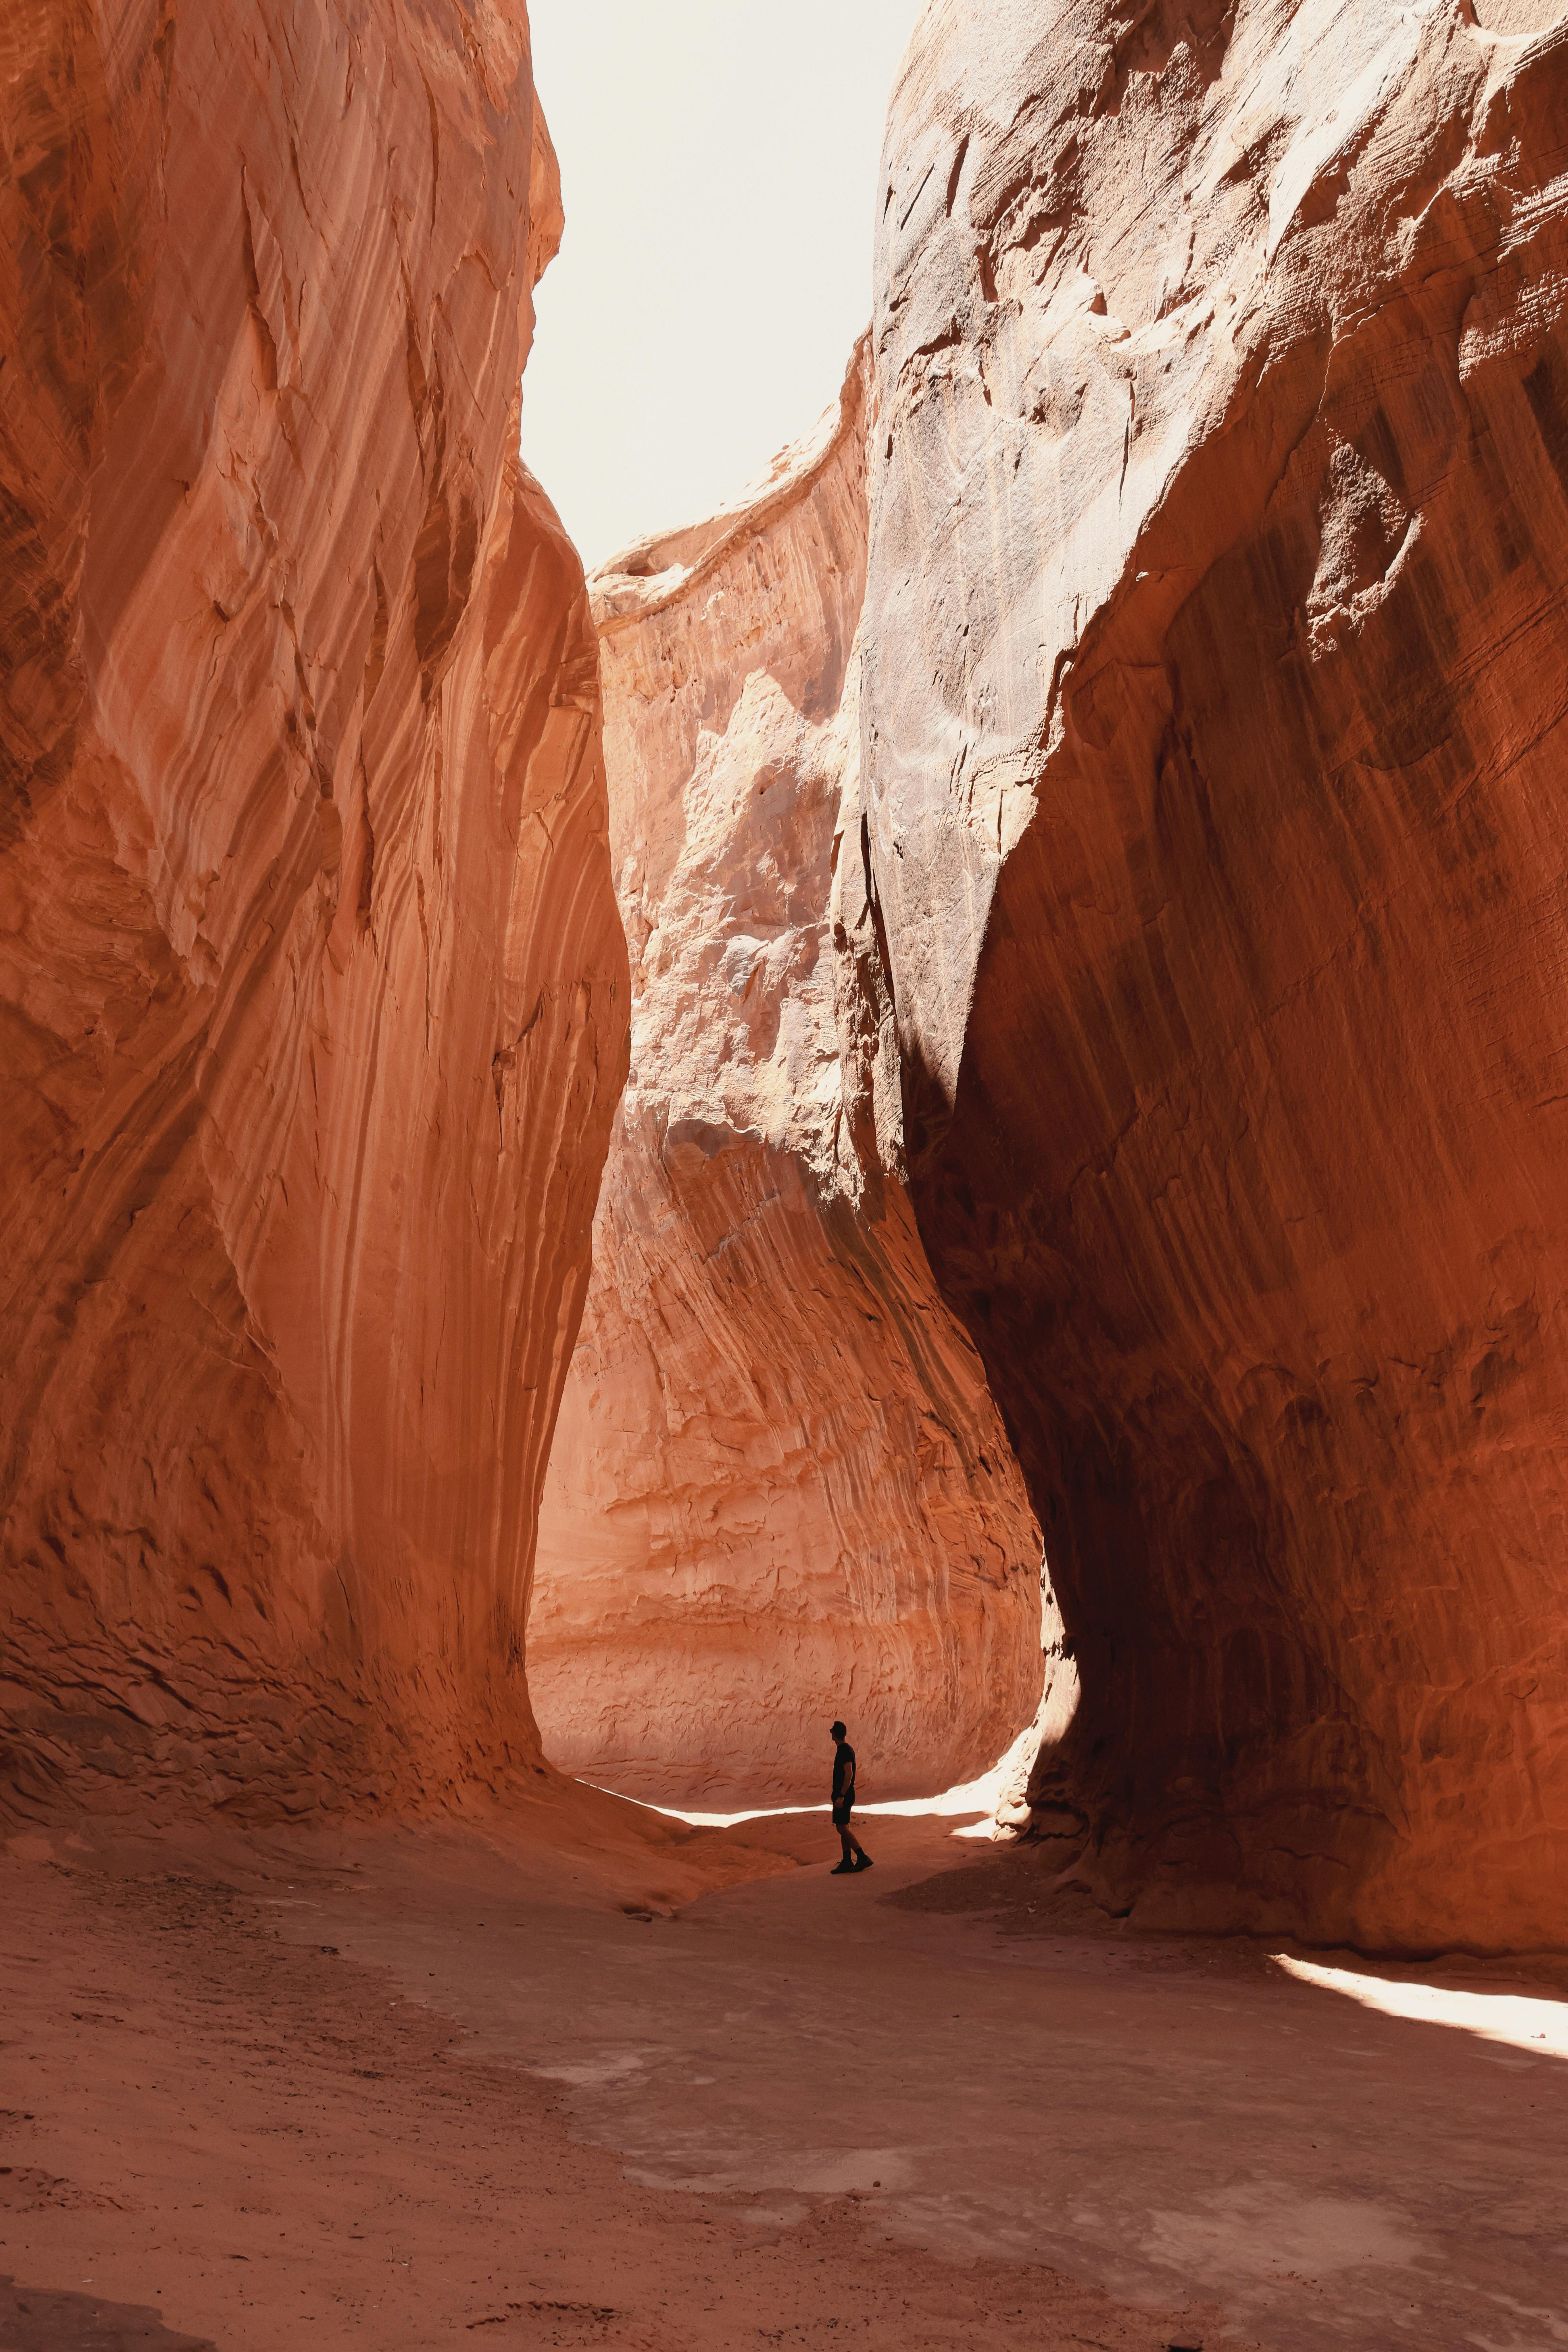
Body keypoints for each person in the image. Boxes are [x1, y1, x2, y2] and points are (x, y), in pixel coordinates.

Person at [829, 1720, 872, 1875]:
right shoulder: (846, 1749)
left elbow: (849, 1773)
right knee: (843, 1827)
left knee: (842, 1828)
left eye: (831, 1731)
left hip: (845, 1796)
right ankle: (847, 1861)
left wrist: (841, 1796)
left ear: (834, 1735)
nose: (831, 1734)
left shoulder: (844, 1751)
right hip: (846, 1795)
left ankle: (862, 1856)